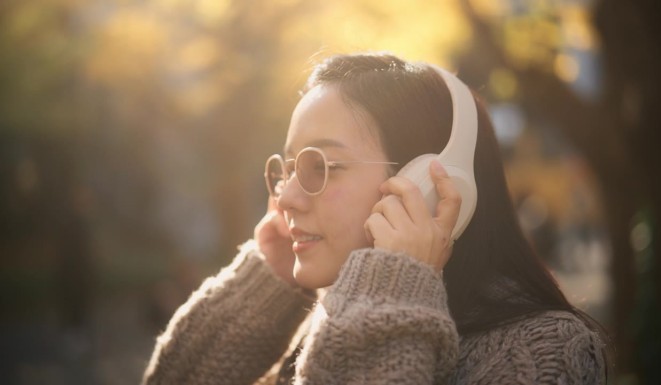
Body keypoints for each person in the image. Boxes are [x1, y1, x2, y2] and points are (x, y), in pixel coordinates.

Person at [142, 52, 608, 384]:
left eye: (321, 166)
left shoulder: (547, 351)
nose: (285, 197)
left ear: (427, 185)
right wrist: (265, 288)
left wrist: (392, 290)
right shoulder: (324, 320)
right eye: (286, 169)